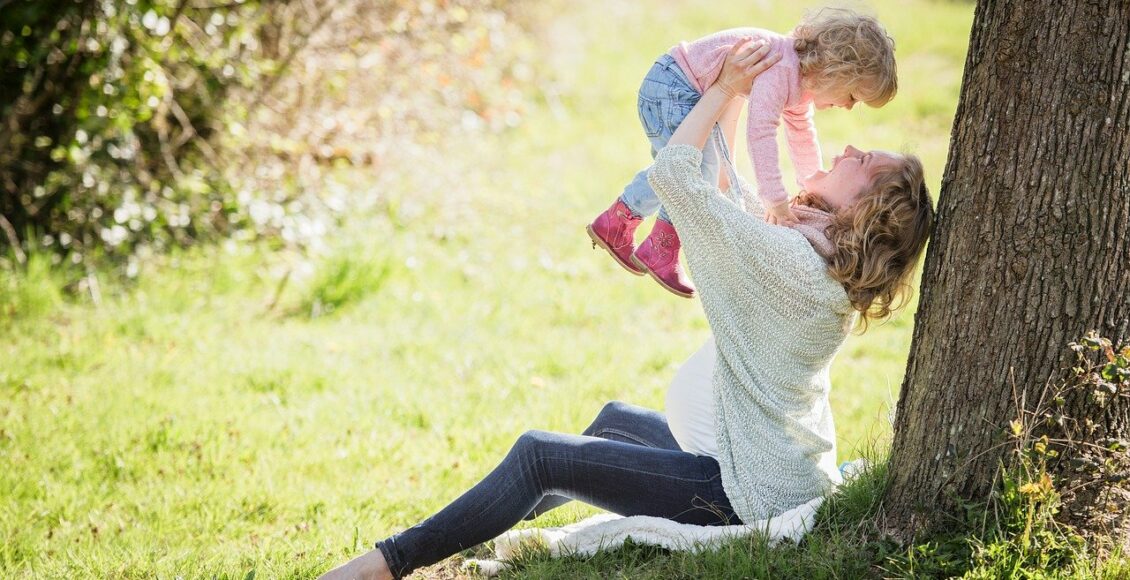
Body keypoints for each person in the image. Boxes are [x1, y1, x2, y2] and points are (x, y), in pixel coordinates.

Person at [320, 39, 933, 580]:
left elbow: (678, 176)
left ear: (865, 212)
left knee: (542, 453)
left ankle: (384, 565)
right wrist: (735, 98)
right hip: (761, 463)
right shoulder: (811, 253)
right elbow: (733, 198)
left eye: (865, 163)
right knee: (611, 419)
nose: (850, 146)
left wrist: (721, 88)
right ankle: (471, 532)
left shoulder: (790, 263)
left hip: (744, 494)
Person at [587, 7, 898, 298]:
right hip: (672, 87)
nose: (847, 106)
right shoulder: (782, 68)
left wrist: (811, 182)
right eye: (853, 96)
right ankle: (655, 243)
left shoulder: (800, 81)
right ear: (835, 72)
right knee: (690, 168)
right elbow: (760, 132)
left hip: (679, 88)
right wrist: (775, 198)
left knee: (688, 168)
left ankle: (622, 225)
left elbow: (802, 135)